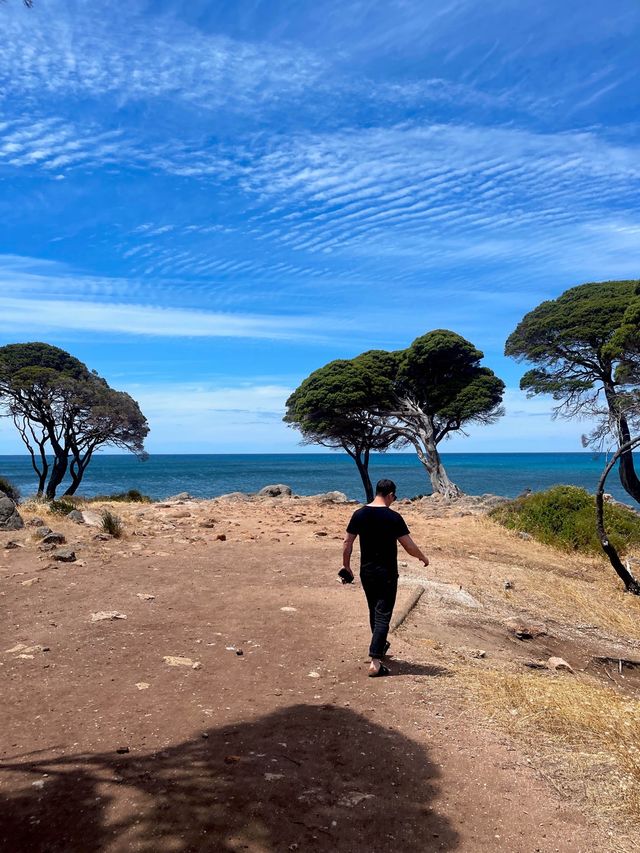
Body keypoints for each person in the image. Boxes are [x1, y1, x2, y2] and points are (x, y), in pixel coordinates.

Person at [342, 478, 429, 677]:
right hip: (386, 573)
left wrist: (346, 566)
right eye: (394, 497)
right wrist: (422, 557)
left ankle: (380, 645)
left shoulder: (359, 514)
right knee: (383, 614)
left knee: (374, 610)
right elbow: (409, 545)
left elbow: (347, 543)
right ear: (390, 494)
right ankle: (375, 661)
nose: (394, 500)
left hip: (367, 572)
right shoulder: (393, 517)